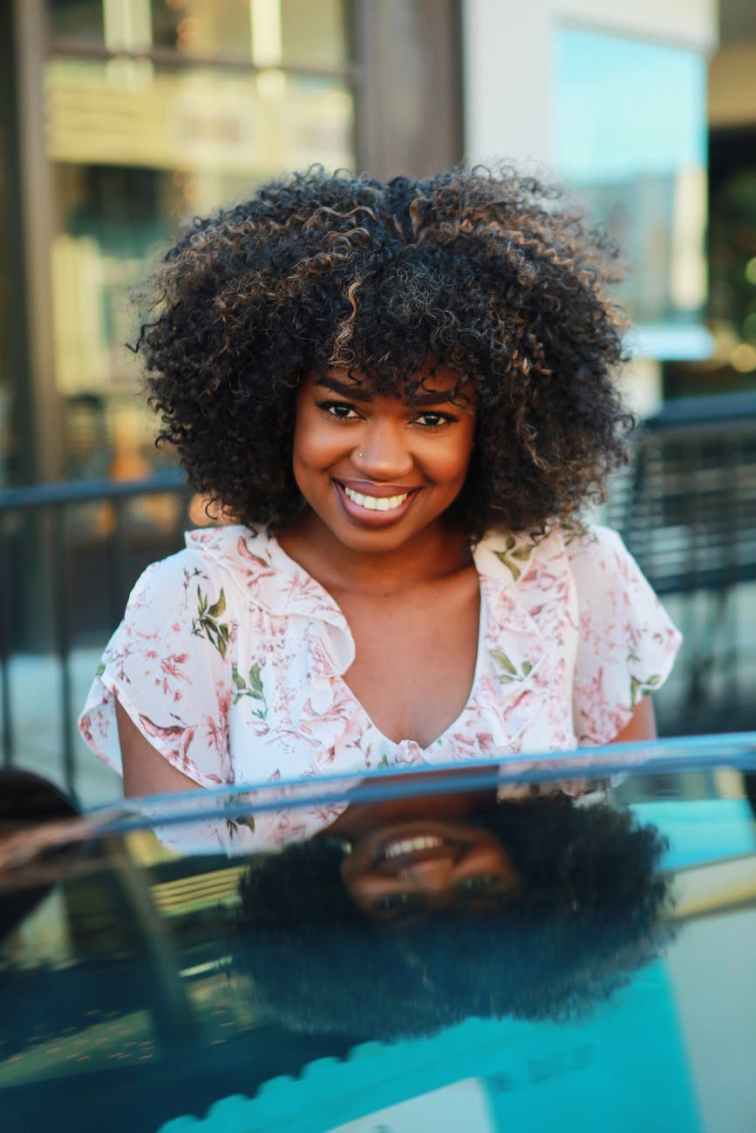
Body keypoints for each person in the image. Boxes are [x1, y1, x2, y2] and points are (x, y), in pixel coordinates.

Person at [78, 166, 681, 850]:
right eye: (341, 407)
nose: (382, 459)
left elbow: (632, 852)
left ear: (495, 426)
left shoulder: (576, 575)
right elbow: (179, 905)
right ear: (276, 406)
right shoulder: (189, 610)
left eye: (432, 417)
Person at [235, 786, 673, 1037]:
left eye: (395, 905)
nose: (427, 872)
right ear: (531, 865)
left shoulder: (238, 810)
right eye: (478, 886)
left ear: (336, 907)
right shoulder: (585, 744)